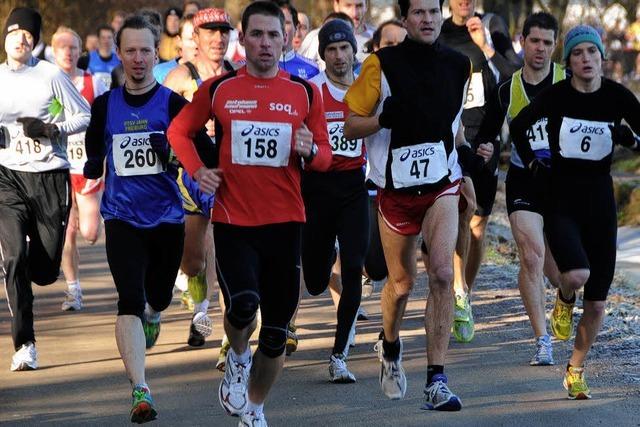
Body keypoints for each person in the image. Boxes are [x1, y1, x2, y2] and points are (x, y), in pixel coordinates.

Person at [167, 2, 331, 424]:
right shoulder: (220, 89)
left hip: (286, 222)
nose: (265, 42)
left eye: (273, 35)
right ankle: (237, 356)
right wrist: (198, 171)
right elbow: (179, 131)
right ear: (243, 38)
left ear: (287, 39)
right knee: (243, 305)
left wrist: (309, 151)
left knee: (276, 334)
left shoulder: (304, 92)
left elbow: (326, 156)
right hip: (234, 221)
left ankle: (254, 408)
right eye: (256, 34)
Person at [344, 0, 480, 410]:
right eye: (418, 13)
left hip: (442, 185)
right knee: (400, 285)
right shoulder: (379, 65)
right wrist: (384, 119)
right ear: (405, 19)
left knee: (441, 273)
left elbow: (454, 126)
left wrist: (468, 169)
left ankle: (436, 380)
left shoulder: (459, 65)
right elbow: (351, 125)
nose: (427, 20)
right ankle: (389, 344)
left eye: (433, 12)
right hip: (395, 192)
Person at [83, 14, 210, 422]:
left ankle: (156, 312)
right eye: (130, 50)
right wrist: (91, 165)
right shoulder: (105, 106)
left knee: (156, 297)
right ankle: (140, 389)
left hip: (167, 218)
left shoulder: (173, 104)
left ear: (157, 54)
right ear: (118, 54)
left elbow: (203, 150)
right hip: (121, 218)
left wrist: (177, 155)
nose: (138, 59)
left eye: (145, 51)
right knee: (129, 301)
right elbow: (93, 148)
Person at [510, 24, 640, 400]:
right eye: (579, 54)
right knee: (578, 274)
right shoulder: (557, 96)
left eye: (592, 53)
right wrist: (535, 163)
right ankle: (565, 296)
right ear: (568, 62)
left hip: (600, 202)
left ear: (602, 59)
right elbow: (519, 126)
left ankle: (576, 369)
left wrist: (631, 140)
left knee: (598, 303)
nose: (587, 59)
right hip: (562, 199)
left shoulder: (618, 97)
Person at [0, 7, 90, 371]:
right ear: (5, 38)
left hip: (50, 177)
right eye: (15, 33)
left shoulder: (51, 75)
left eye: (29, 35)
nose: (21, 39)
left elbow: (83, 114)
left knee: (43, 269)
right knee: (14, 259)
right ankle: (25, 344)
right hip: (7, 175)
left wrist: (53, 131)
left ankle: (43, 269)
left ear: (35, 42)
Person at [474, 12, 564, 365]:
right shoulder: (507, 89)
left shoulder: (567, 81)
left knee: (561, 272)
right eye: (534, 41)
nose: (540, 48)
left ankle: (566, 298)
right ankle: (543, 340)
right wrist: (484, 149)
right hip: (524, 180)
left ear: (555, 46)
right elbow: (488, 133)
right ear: (521, 41)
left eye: (547, 42)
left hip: (563, 184)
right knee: (531, 255)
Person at [439, 0, 522, 343]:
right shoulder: (437, 32)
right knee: (455, 216)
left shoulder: (493, 27)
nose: (464, 0)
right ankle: (452, 288)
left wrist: (485, 45)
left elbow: (516, 76)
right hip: (449, 137)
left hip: (484, 140)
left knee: (477, 224)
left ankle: (464, 294)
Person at [164, 7, 235, 349]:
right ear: (197, 37)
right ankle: (198, 303)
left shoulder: (238, 75)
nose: (218, 38)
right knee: (193, 259)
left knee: (224, 252)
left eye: (224, 31)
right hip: (190, 176)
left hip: (228, 175)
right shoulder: (180, 77)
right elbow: (162, 126)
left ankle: (218, 326)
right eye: (211, 32)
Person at [306, 19, 367, 383]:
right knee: (314, 282)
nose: (339, 55)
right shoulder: (312, 90)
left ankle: (339, 354)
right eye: (332, 49)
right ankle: (324, 257)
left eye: (345, 48)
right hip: (316, 189)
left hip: (354, 189)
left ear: (353, 51)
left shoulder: (367, 89)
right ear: (323, 54)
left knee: (355, 267)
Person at [51, 26, 109, 312]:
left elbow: (104, 120)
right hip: (58, 166)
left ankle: (92, 215)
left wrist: (104, 160)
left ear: (80, 51)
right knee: (67, 232)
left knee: (89, 232)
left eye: (73, 46)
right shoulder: (45, 82)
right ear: (53, 50)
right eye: (62, 46)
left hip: (86, 165)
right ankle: (73, 291)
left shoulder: (93, 81)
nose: (68, 51)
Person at [298, 0, 374, 67]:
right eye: (348, 5)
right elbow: (302, 69)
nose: (354, 13)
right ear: (336, 5)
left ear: (366, 5)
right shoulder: (315, 37)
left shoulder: (376, 37)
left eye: (359, 5)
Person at [273, 0, 319, 79]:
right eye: (276, 22)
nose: (282, 28)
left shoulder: (312, 68)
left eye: (286, 22)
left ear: (296, 27)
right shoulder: (253, 66)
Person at [154, 13, 198, 84]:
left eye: (200, 39)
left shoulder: (214, 74)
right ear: (179, 41)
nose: (196, 45)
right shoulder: (160, 73)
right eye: (191, 39)